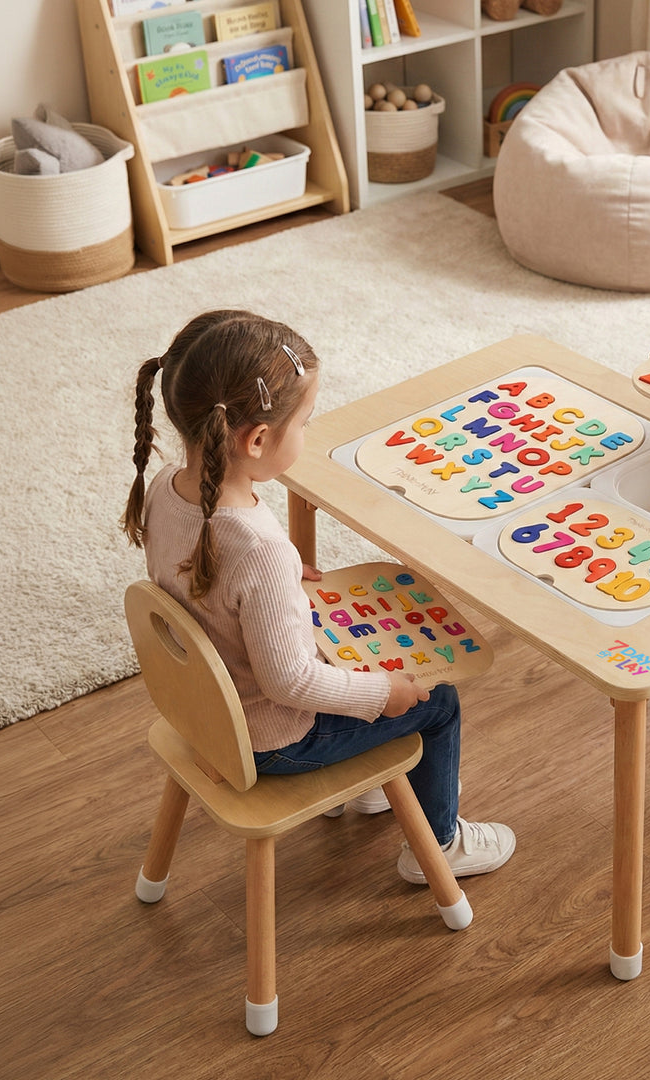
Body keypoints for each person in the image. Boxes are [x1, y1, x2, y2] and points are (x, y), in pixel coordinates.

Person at [121, 309, 515, 881]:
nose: (306, 433)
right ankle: (441, 844)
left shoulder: (164, 487)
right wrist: (382, 693)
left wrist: (276, 585)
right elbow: (291, 683)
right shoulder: (258, 549)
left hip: (205, 713)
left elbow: (208, 577)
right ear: (258, 439)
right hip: (274, 741)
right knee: (438, 703)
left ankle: (373, 777)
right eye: (304, 422)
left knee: (349, 648)